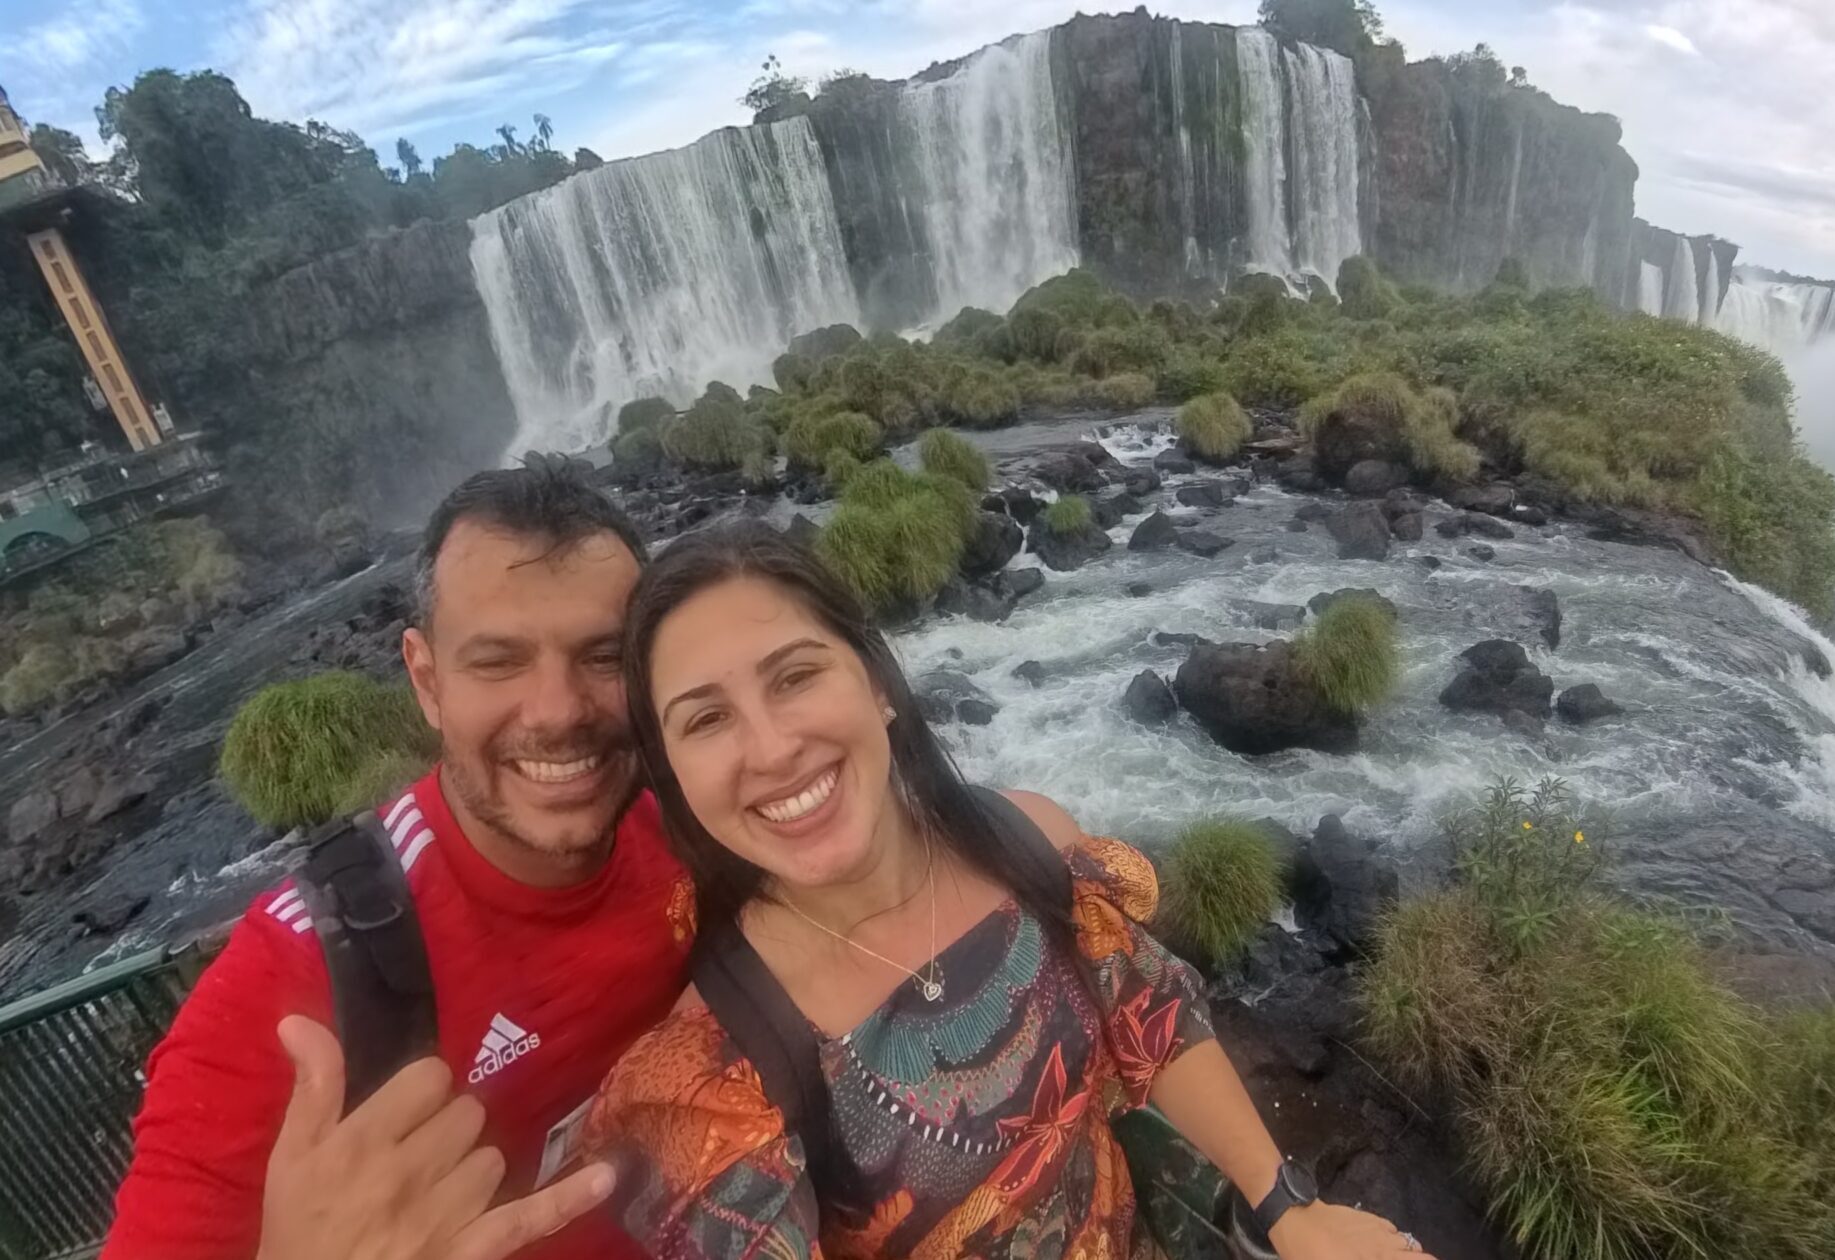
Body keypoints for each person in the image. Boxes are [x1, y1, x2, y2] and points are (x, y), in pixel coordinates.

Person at [580, 521, 1433, 1259]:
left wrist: (1286, 1205)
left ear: (876, 686)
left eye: (795, 676)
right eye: (706, 718)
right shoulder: (718, 1073)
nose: (769, 750)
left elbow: (1152, 1016)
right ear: (672, 775)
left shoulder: (1025, 842)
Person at [103, 462, 691, 1260]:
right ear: (426, 681)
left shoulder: (697, 830)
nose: (557, 711)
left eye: (602, 656)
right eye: (498, 661)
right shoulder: (290, 991)